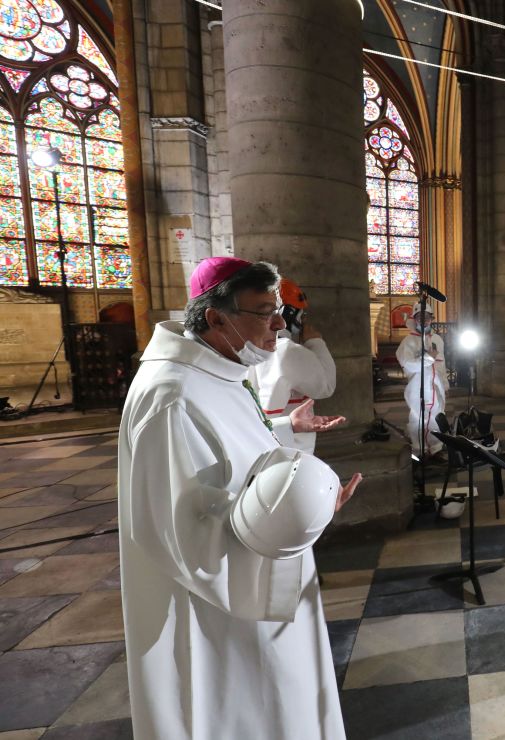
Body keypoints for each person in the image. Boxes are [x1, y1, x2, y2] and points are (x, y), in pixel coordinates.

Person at [118, 257, 362, 740]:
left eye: (278, 311)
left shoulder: (217, 370)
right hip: (223, 605)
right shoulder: (172, 396)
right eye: (263, 311)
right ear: (216, 317)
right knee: (252, 708)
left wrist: (283, 427)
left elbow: (221, 452)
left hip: (263, 572)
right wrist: (292, 519)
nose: (278, 324)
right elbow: (185, 534)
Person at [250, 277, 336, 453]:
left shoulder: (242, 347)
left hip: (255, 443)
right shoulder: (287, 350)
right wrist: (316, 342)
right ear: (286, 313)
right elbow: (326, 386)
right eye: (300, 314)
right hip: (291, 447)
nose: (302, 320)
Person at [395, 302, 447, 457]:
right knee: (418, 418)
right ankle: (419, 450)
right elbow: (409, 365)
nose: (424, 320)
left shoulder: (437, 339)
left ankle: (436, 449)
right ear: (414, 319)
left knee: (436, 416)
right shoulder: (408, 341)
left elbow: (442, 363)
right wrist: (428, 358)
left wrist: (444, 383)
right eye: (420, 317)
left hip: (435, 385)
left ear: (432, 318)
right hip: (418, 386)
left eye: (427, 317)